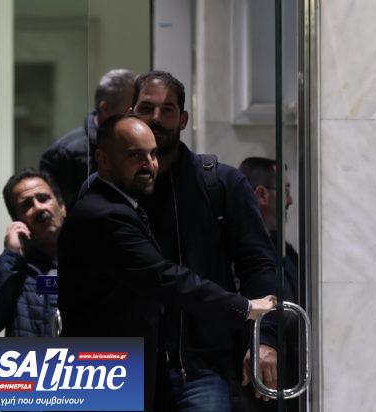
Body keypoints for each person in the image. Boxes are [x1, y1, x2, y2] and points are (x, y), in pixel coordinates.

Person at [57, 114, 277, 412]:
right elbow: (167, 279)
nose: (149, 164)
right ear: (103, 160)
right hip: (99, 371)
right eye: (135, 155)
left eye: (153, 154)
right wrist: (245, 307)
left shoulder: (121, 207)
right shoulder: (104, 215)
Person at [131, 71, 289, 411]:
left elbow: (259, 267)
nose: (155, 118)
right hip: (125, 366)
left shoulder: (221, 183)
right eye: (146, 108)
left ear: (183, 119)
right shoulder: (109, 189)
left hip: (203, 367)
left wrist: (264, 339)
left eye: (167, 109)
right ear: (131, 115)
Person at [0, 169, 66, 337]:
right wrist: (12, 255)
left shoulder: (92, 258)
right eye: (27, 205)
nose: (38, 207)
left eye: (43, 198)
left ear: (62, 207)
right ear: (18, 222)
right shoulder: (11, 268)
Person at [239, 157, 301, 411]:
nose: (290, 200)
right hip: (247, 382)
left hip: (285, 380)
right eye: (285, 190)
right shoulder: (234, 249)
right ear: (262, 195)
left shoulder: (286, 252)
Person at [39, 69, 136, 207]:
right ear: (105, 108)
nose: (137, 116)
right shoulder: (63, 153)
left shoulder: (138, 145)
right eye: (131, 110)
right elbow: (57, 213)